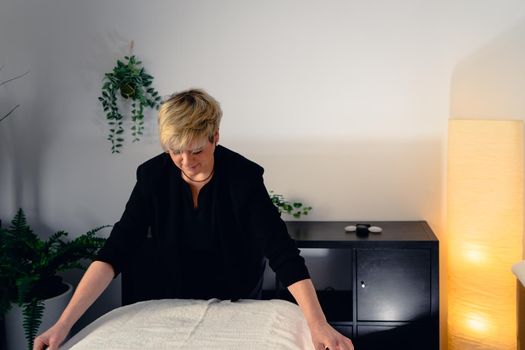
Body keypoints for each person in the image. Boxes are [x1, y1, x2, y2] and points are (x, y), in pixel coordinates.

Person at [33, 89, 354, 350]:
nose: (186, 162)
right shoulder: (152, 177)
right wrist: (62, 325)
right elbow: (113, 254)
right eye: (175, 152)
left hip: (237, 297)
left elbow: (283, 254)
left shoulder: (243, 177)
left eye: (196, 150)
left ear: (215, 136)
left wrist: (319, 325)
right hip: (172, 297)